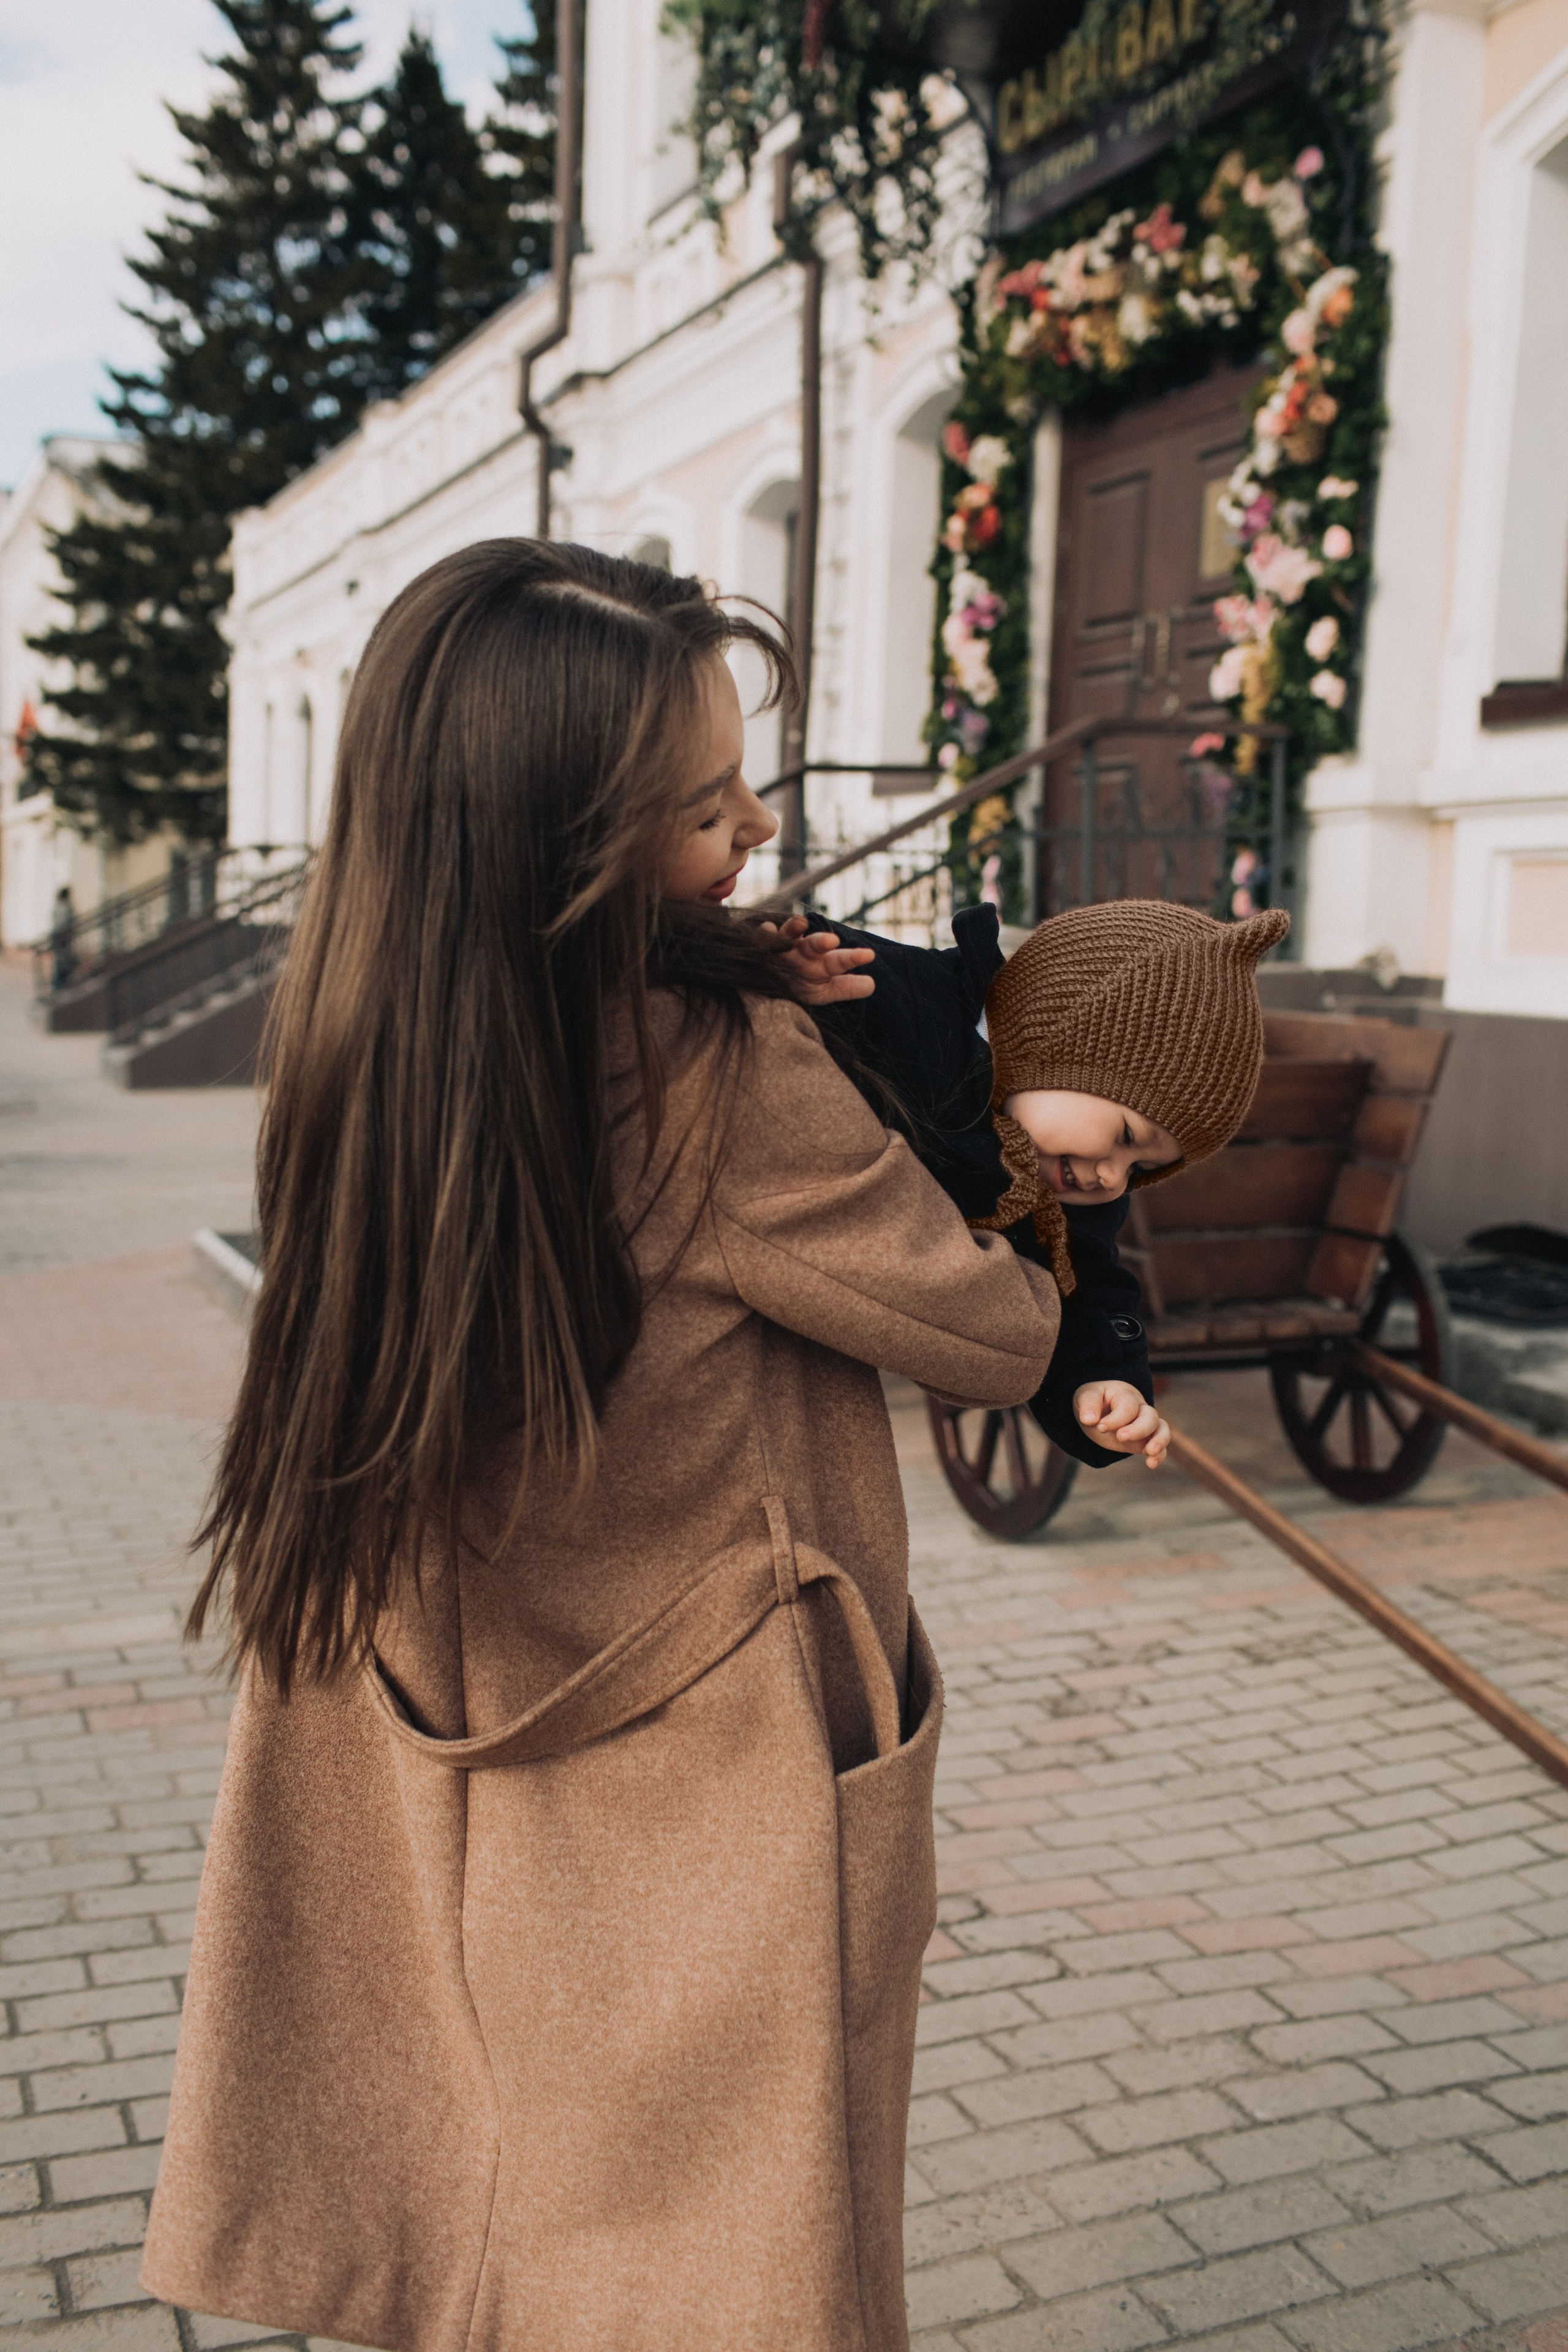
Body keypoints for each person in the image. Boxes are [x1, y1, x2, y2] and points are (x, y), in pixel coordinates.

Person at [140, 541, 1060, 2352]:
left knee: (503, 2233)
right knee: (709, 2274)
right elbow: (995, 1335)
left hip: (433, 1766)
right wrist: (1007, 1142)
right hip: (698, 1810)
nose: (755, 839)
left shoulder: (360, 1049)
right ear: (572, 841)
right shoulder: (728, 1079)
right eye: (708, 810)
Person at [775, 897, 1289, 1473]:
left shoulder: (1067, 1200)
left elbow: (1089, 1293)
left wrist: (1104, 1385)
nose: (1114, 1176)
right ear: (1056, 1038)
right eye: (1125, 1134)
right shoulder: (916, 1008)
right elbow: (829, 966)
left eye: (1143, 1169)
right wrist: (791, 974)